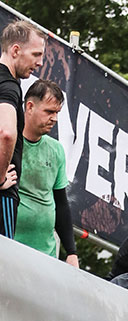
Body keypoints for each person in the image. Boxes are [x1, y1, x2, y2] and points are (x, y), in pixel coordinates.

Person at [14, 80, 78, 266]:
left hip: (46, 255)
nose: (55, 118)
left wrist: (71, 251)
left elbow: (61, 203)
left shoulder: (56, 149)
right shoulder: (8, 139)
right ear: (30, 107)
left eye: (57, 113)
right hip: (10, 248)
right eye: (49, 112)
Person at [0, 21, 46, 238]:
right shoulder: (8, 85)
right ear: (16, 50)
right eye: (36, 54)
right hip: (3, 196)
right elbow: (6, 133)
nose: (40, 62)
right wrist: (0, 178)